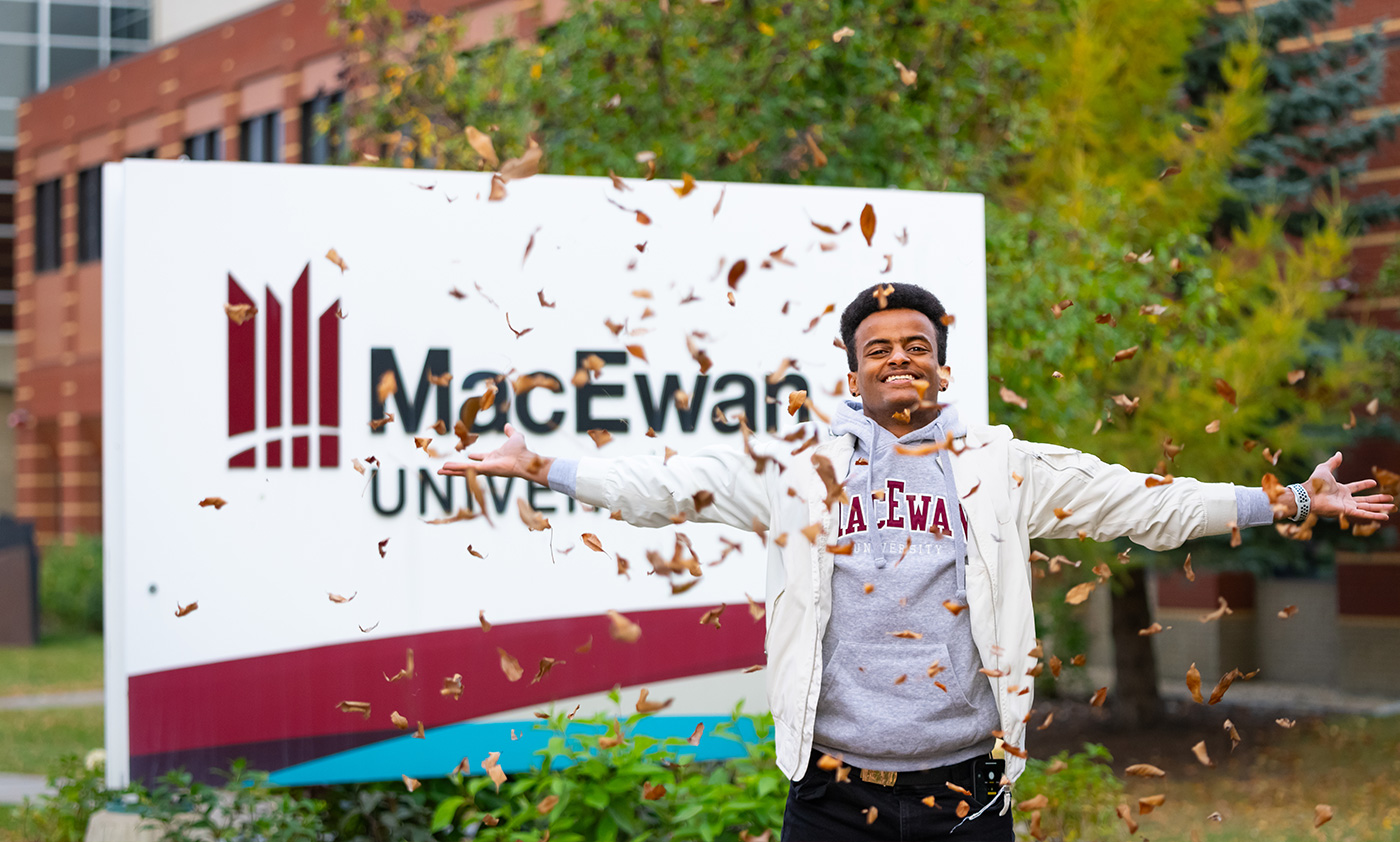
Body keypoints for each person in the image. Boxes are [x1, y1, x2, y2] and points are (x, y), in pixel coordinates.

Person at [440, 282, 1393, 841]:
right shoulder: (796, 469)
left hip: (965, 796)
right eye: (878, 348)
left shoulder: (999, 466)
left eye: (917, 347)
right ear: (850, 372)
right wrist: (541, 464)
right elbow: (664, 489)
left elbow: (1145, 504)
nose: (899, 358)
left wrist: (1295, 498)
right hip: (830, 791)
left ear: (942, 366)